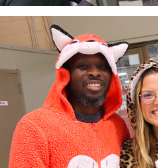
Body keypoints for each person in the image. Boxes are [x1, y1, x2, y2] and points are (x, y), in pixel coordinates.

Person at [10, 25, 131, 168]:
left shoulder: (117, 125)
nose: (94, 72)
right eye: (83, 66)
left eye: (103, 67)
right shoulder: (34, 127)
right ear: (65, 75)